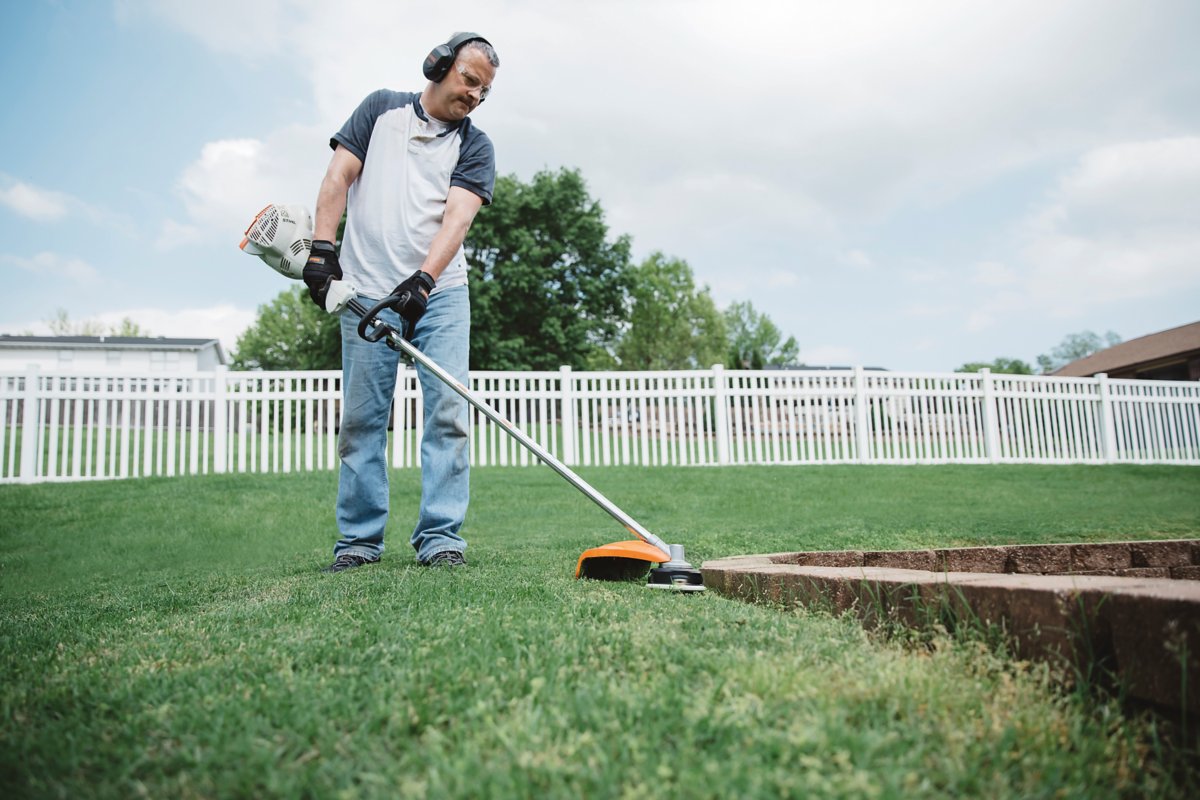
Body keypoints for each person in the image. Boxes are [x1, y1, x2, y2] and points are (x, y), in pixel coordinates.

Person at [303, 33, 499, 572]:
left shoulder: (475, 146)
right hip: (364, 290)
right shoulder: (379, 110)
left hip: (440, 296)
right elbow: (338, 176)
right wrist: (322, 249)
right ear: (439, 65)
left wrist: (424, 281)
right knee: (363, 422)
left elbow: (457, 219)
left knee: (448, 415)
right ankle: (359, 544)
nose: (475, 95)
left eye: (485, 90)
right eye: (470, 79)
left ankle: (441, 538)